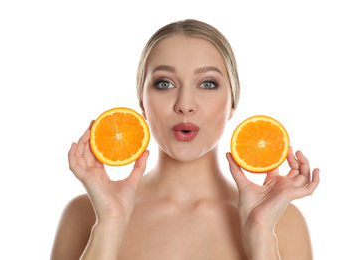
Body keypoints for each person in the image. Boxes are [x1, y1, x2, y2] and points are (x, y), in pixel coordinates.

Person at [51, 19, 320, 260]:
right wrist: (109, 223)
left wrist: (261, 232)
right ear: (142, 103)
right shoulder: (85, 214)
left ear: (232, 104)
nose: (185, 105)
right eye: (165, 83)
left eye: (208, 83)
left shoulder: (282, 222)